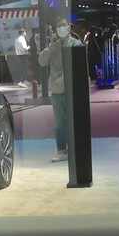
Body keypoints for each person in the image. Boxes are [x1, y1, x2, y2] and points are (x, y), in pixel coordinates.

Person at [39, 17, 81, 162]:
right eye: (59, 27)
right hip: (57, 91)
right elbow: (42, 61)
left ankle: (75, 149)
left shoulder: (76, 44)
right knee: (59, 123)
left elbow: (78, 66)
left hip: (71, 89)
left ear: (69, 28)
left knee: (73, 120)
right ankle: (61, 150)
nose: (61, 29)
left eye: (63, 26)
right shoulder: (53, 46)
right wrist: (50, 46)